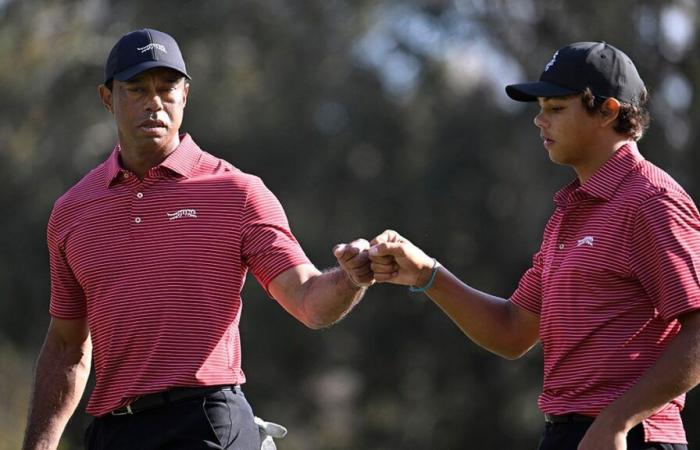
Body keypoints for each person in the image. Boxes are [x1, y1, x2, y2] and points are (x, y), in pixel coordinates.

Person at [22, 28, 373, 450]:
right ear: (107, 98)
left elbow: (308, 300)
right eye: (136, 89)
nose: (155, 102)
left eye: (167, 88)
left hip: (204, 421)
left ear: (184, 95)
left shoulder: (236, 192)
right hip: (112, 432)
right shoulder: (73, 211)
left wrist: (351, 277)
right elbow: (65, 348)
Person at [357, 42, 700, 449]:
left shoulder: (651, 201)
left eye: (556, 108)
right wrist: (428, 274)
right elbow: (513, 330)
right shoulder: (569, 212)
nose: (539, 121)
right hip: (568, 433)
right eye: (540, 108)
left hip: (632, 437)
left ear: (608, 111)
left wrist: (617, 422)